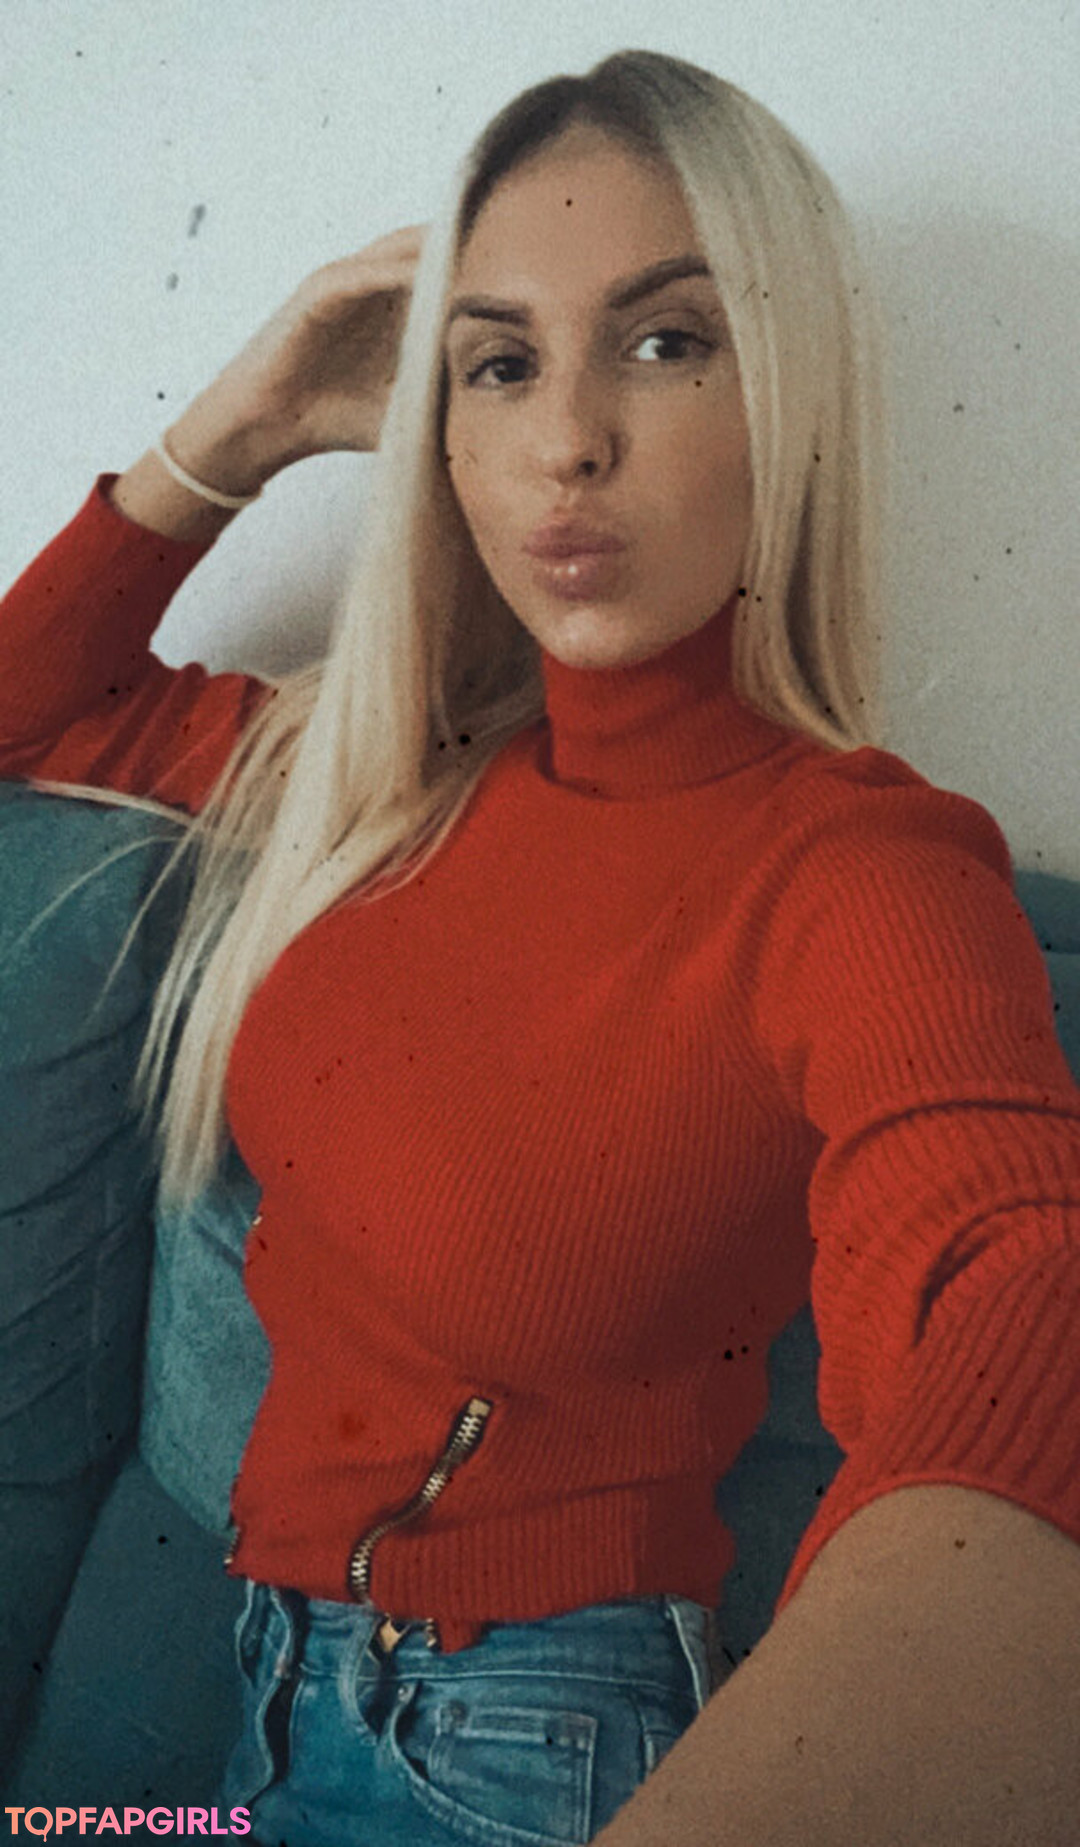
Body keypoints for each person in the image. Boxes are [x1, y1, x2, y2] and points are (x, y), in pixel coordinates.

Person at [2, 47, 1079, 1847]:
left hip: (518, 1759)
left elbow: (1014, 1268)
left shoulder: (858, 867)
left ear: (794, 397)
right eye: (498, 362)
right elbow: (22, 724)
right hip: (244, 1716)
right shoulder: (370, 789)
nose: (567, 437)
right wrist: (244, 427)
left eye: (665, 341)